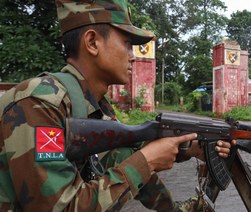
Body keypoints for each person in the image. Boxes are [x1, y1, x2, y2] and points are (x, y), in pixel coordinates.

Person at [0, 0, 235, 211]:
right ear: (92, 42)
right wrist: (148, 160)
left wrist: (191, 146)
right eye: (126, 42)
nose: (133, 55)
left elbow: (123, 152)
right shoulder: (38, 104)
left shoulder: (91, 104)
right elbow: (62, 207)